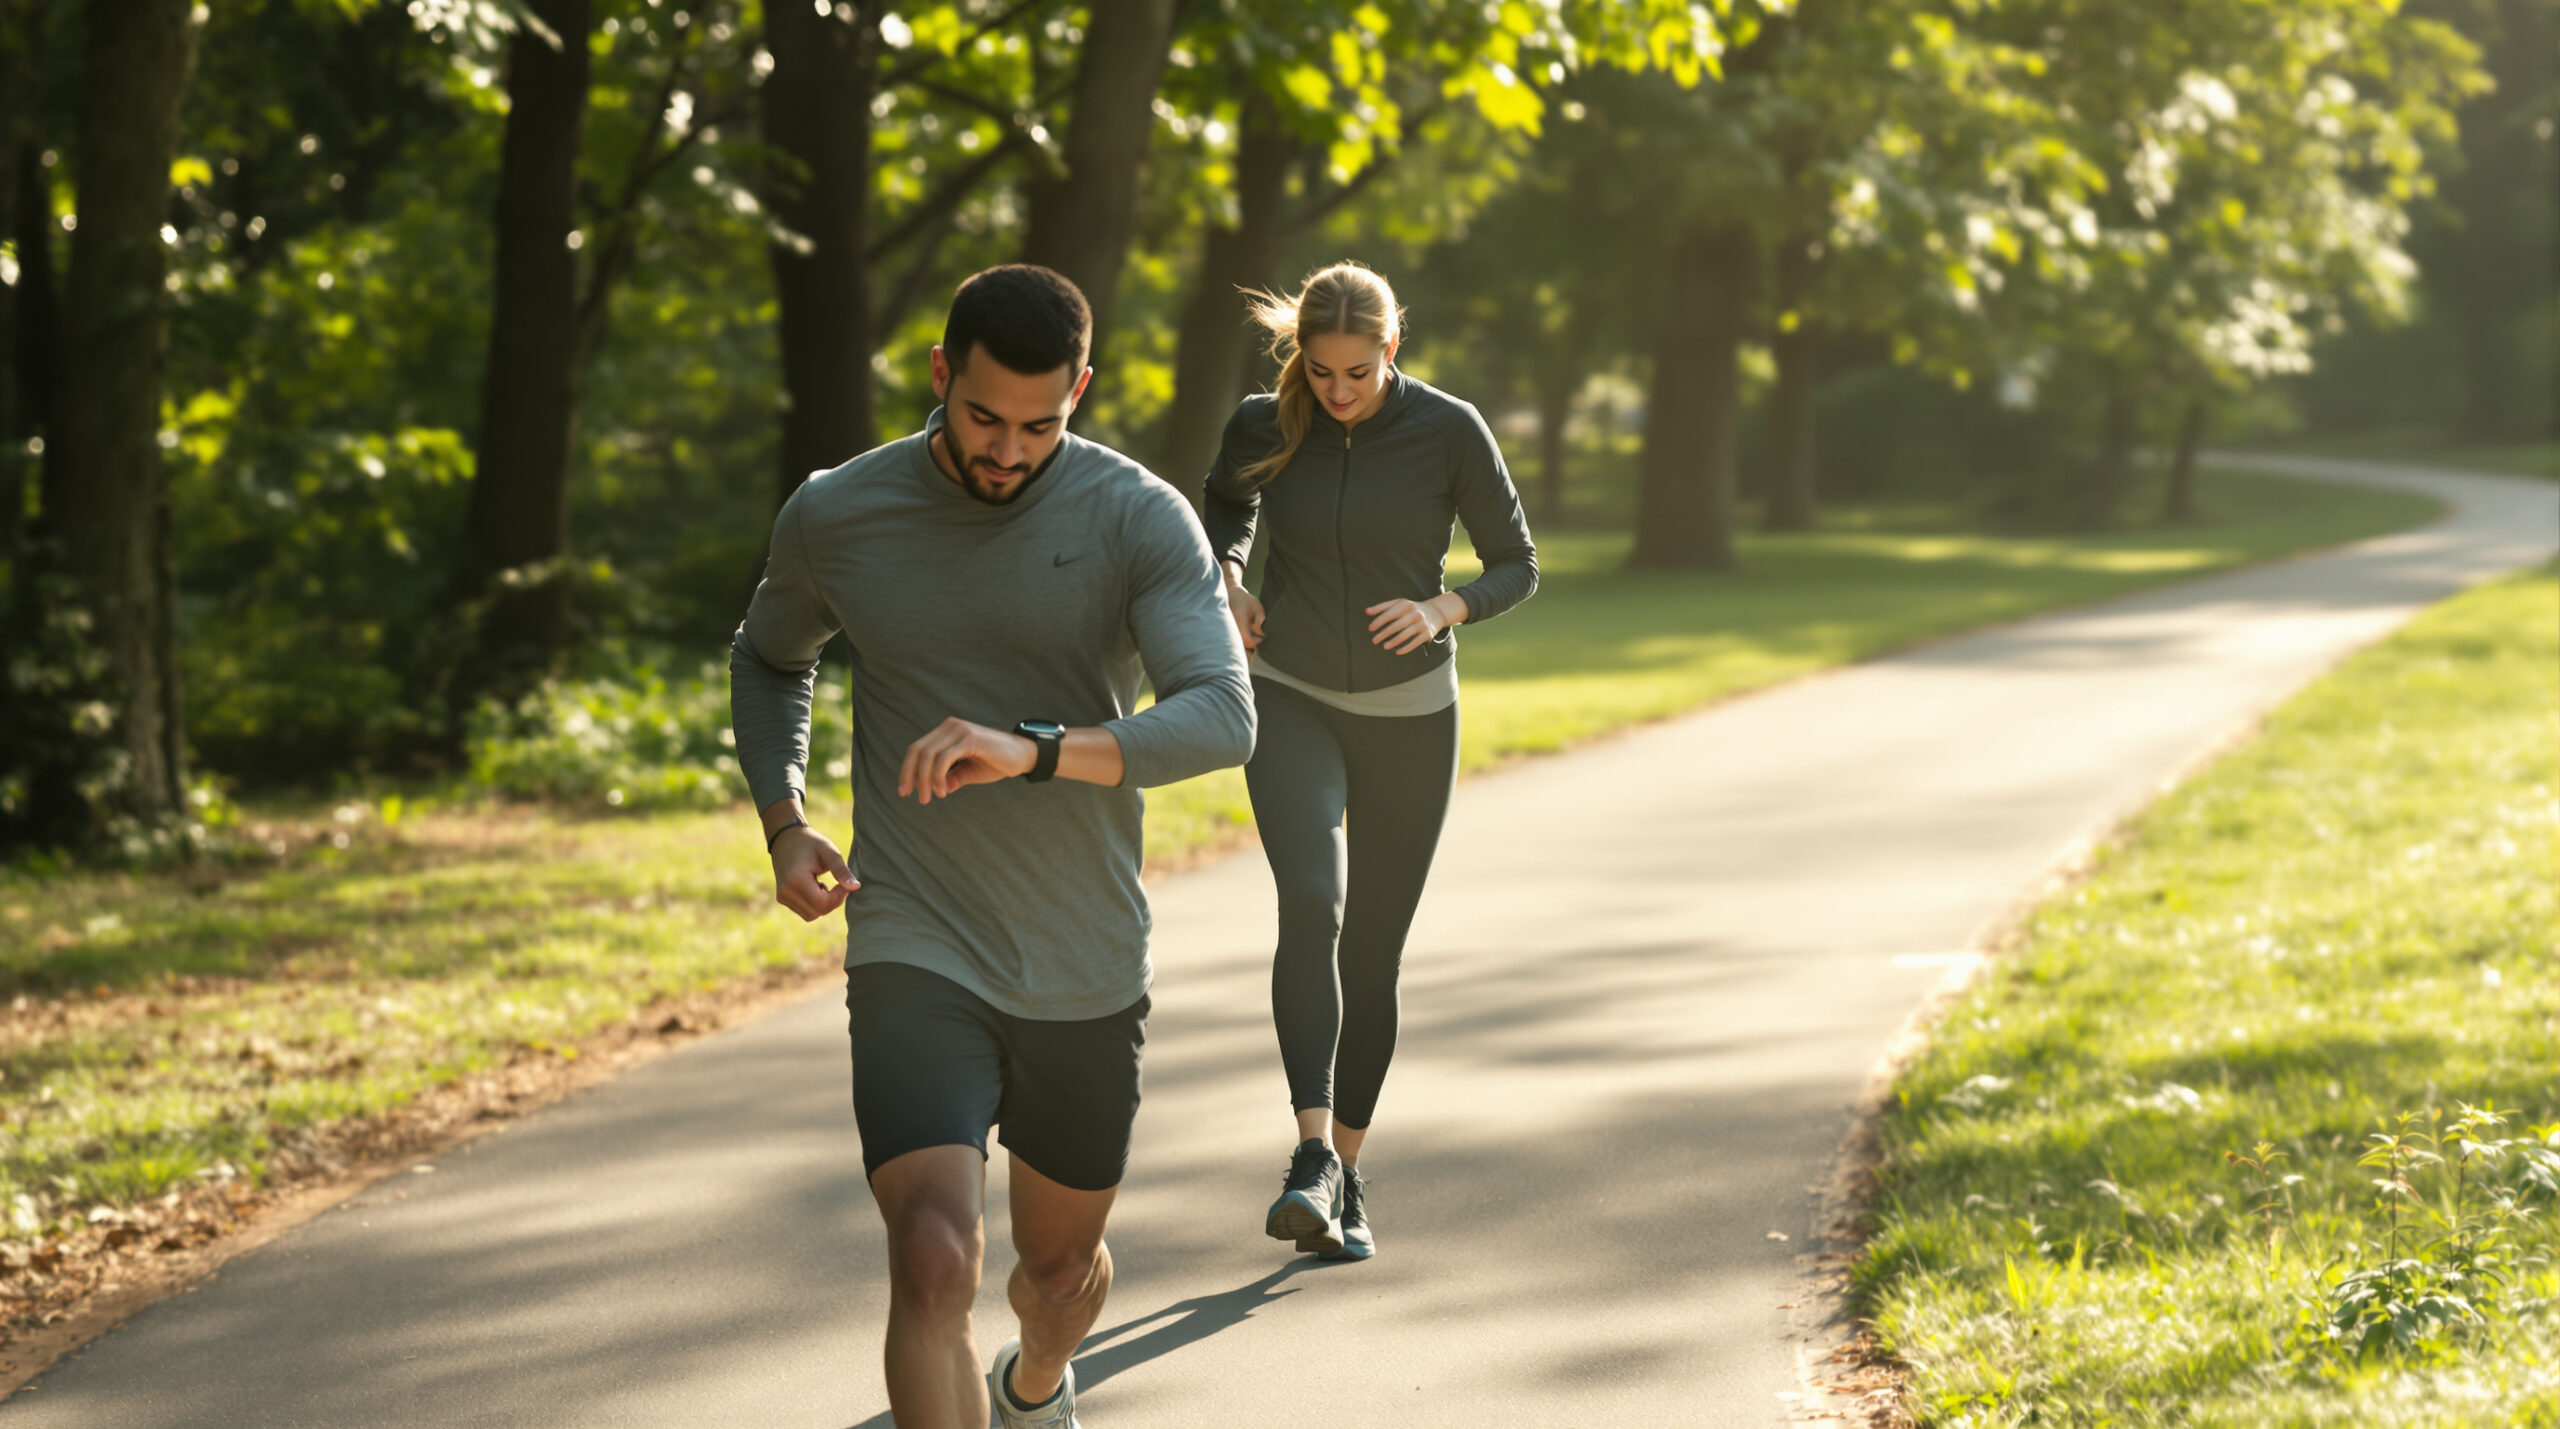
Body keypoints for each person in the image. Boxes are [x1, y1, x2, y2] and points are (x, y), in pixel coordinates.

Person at [730, 265, 1254, 1429]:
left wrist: (1036, 749)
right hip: (917, 925)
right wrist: (784, 815)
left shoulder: (1135, 514)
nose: (1008, 450)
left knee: (1056, 1277)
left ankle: (1035, 1380)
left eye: (1040, 424)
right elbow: (769, 656)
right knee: (931, 1258)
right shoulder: (839, 511)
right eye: (981, 417)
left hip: (1082, 950)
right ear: (939, 377)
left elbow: (1224, 711)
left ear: (1079, 390)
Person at [1201, 262, 1538, 1263]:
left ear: (1391, 350)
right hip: (1293, 692)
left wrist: (1444, 607)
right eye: (1319, 369)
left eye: (1355, 371)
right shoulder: (1264, 422)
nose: (1336, 391)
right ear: (1298, 354)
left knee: (1373, 950)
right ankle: (1308, 1156)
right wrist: (1227, 579)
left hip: (1410, 712)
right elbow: (1221, 508)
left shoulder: (1449, 428)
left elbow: (1516, 561)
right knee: (1312, 902)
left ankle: (1349, 1166)